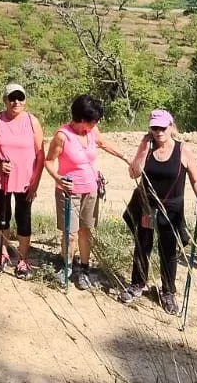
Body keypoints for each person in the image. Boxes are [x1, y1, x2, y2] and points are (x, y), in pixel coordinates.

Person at [118, 109, 197, 314]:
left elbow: (196, 177)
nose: (159, 132)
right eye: (154, 128)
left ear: (171, 127)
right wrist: (143, 149)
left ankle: (168, 292)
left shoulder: (182, 150)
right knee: (143, 244)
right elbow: (134, 173)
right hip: (147, 205)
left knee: (168, 249)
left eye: (162, 127)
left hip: (171, 207)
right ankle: (137, 284)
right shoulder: (147, 148)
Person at [42, 94, 133, 290]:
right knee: (70, 233)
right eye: (93, 121)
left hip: (90, 190)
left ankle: (83, 269)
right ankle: (67, 266)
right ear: (82, 119)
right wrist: (58, 178)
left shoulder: (92, 131)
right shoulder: (62, 136)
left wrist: (126, 158)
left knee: (86, 230)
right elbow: (48, 161)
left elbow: (104, 144)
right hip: (69, 192)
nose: (95, 124)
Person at [0, 84, 45, 278]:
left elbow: (41, 155)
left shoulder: (32, 121)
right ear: (5, 100)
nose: (16, 102)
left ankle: (23, 260)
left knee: (24, 218)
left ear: (25, 100)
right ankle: (3, 254)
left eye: (20, 98)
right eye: (12, 98)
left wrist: (35, 184)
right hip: (1, 179)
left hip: (26, 181)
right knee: (3, 215)